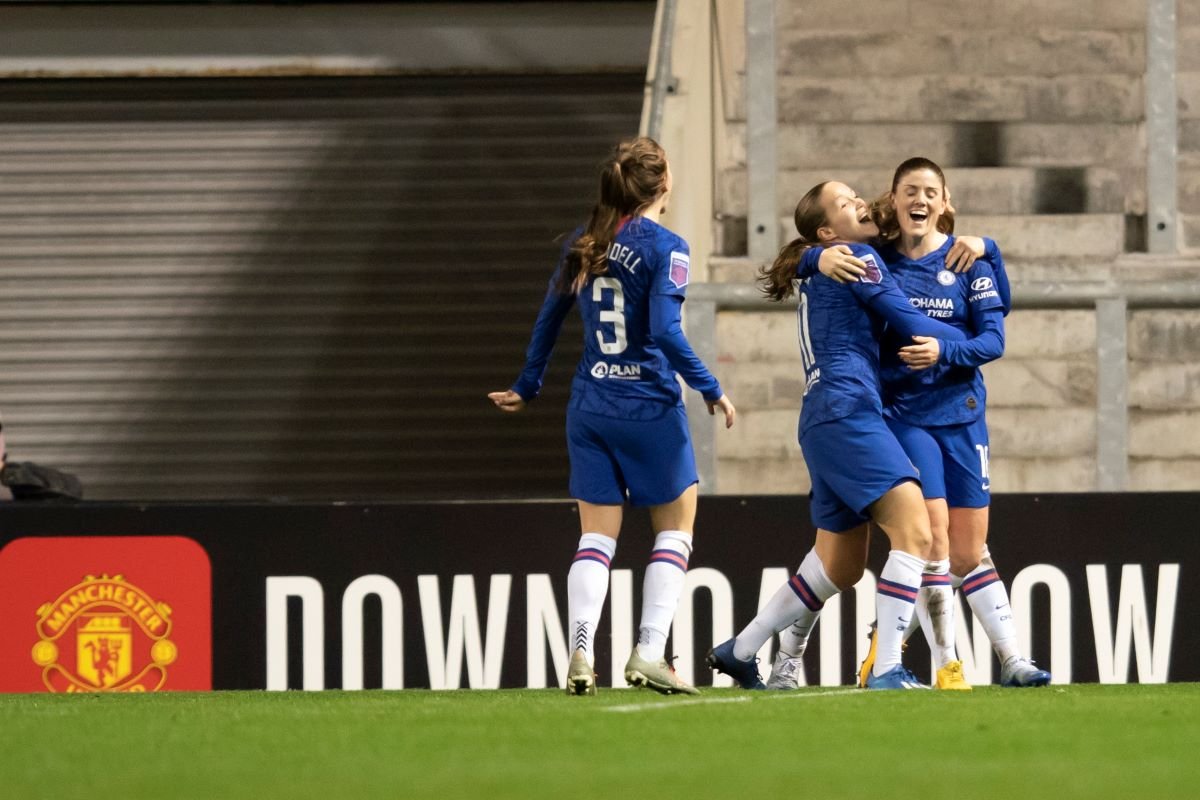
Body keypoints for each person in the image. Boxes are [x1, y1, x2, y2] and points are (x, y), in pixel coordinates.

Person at [488, 136, 736, 697]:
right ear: (663, 184)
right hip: (647, 406)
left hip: (590, 405)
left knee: (596, 539)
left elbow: (548, 318)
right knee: (675, 528)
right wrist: (710, 387)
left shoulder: (584, 243)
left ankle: (579, 651)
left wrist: (527, 385)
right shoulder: (667, 246)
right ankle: (649, 652)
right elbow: (668, 331)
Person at [706, 180, 969, 691]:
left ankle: (740, 650)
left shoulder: (827, 261)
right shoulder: (852, 258)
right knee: (916, 532)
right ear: (827, 231)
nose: (859, 204)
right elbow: (912, 321)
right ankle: (888, 667)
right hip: (848, 410)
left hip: (825, 415)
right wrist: (980, 338)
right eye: (846, 203)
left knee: (842, 566)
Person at [808, 158, 1051, 689]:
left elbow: (994, 339)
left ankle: (979, 658)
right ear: (892, 201)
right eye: (909, 191)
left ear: (945, 203)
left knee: (968, 550)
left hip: (963, 417)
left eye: (930, 192)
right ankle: (965, 663)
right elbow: (810, 259)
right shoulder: (873, 260)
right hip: (905, 417)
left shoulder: (968, 261)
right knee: (933, 538)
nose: (920, 199)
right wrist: (815, 256)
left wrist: (945, 347)